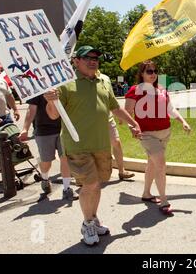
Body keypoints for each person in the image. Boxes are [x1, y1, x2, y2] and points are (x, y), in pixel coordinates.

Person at [44, 46, 141, 246]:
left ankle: (93, 218)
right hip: (77, 146)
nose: (92, 60)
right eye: (86, 57)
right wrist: (51, 100)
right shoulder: (64, 83)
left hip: (101, 144)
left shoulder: (104, 81)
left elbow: (114, 107)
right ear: (76, 61)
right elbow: (53, 114)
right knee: (89, 185)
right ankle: (87, 223)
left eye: (95, 57)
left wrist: (133, 122)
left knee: (97, 184)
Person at [125, 60, 191, 216]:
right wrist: (132, 127)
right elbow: (127, 112)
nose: (153, 74)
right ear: (141, 73)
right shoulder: (135, 90)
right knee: (160, 164)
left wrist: (183, 121)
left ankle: (146, 193)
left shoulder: (161, 89)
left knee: (153, 163)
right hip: (147, 134)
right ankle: (164, 201)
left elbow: (170, 108)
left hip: (165, 132)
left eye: (155, 71)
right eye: (149, 71)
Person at [19, 95, 78, 201]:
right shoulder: (37, 89)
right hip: (43, 130)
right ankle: (45, 178)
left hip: (63, 130)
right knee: (46, 161)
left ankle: (67, 188)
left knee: (65, 158)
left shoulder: (63, 86)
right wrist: (25, 129)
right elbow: (31, 109)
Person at [99, 73, 135, 180]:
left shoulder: (105, 78)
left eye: (95, 59)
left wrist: (119, 116)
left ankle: (121, 171)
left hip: (108, 118)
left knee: (116, 142)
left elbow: (112, 99)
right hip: (92, 121)